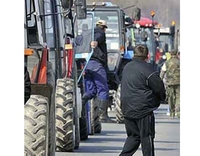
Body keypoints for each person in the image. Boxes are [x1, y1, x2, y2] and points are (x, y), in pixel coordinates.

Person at [119, 44, 166, 156]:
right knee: (146, 137)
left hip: (127, 108)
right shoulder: (148, 69)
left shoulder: (127, 67)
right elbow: (158, 87)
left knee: (133, 136)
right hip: (143, 110)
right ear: (147, 55)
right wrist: (161, 98)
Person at [82, 19, 114, 123]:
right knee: (103, 89)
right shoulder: (100, 33)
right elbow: (98, 37)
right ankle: (103, 116)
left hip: (86, 65)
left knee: (90, 91)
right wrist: (95, 42)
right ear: (104, 28)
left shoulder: (86, 33)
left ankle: (80, 105)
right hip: (97, 65)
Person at [160, 49, 180, 118]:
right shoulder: (180, 62)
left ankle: (172, 112)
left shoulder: (167, 62)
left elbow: (162, 72)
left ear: (170, 54)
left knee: (170, 97)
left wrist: (160, 81)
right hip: (179, 82)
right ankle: (178, 111)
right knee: (178, 97)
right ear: (177, 53)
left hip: (169, 82)